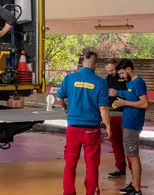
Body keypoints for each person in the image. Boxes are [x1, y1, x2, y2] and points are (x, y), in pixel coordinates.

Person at [55, 51, 111, 195]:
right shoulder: (100, 82)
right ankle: (91, 192)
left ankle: (68, 192)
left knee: (70, 164)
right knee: (92, 165)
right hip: (91, 130)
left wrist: (67, 108)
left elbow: (59, 99)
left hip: (73, 128)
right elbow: (103, 107)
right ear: (96, 65)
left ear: (82, 63)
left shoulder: (69, 78)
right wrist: (108, 127)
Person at [111, 59, 149, 195]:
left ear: (128, 69)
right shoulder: (130, 83)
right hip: (128, 121)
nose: (121, 76)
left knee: (133, 156)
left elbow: (144, 103)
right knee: (130, 155)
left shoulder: (138, 82)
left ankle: (137, 189)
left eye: (121, 73)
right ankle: (133, 184)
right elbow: (130, 95)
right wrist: (118, 94)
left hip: (133, 123)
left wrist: (125, 103)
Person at [105, 59, 129, 178]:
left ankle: (133, 167)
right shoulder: (108, 78)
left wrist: (117, 92)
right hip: (112, 113)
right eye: (108, 71)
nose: (111, 73)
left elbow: (132, 92)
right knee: (116, 142)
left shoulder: (125, 78)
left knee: (128, 142)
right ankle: (120, 167)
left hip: (125, 113)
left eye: (112, 70)